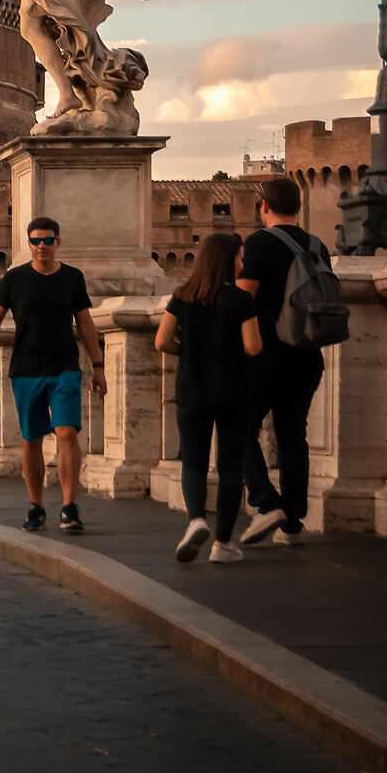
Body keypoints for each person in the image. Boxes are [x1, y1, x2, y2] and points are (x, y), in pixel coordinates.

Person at [0, 217, 107, 532]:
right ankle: (36, 505)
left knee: (67, 433)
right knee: (32, 439)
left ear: (58, 242)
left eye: (48, 240)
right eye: (35, 241)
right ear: (28, 244)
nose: (42, 246)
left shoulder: (73, 278)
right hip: (26, 370)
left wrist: (98, 365)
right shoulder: (14, 279)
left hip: (65, 369)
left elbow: (85, 323)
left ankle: (69, 506)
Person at [237, 177, 336, 547]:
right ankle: (293, 523)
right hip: (307, 355)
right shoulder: (317, 245)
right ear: (299, 206)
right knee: (293, 433)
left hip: (264, 354)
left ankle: (266, 503)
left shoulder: (259, 243)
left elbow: (243, 300)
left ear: (263, 206)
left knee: (240, 427)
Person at [159, 232, 264, 563]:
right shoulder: (241, 300)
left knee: (194, 462)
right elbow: (252, 347)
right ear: (227, 260)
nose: (242, 263)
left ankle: (195, 521)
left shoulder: (182, 295)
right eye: (239, 257)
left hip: (192, 390)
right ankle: (222, 544)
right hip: (234, 392)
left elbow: (162, 341)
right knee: (230, 467)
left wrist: (187, 350)